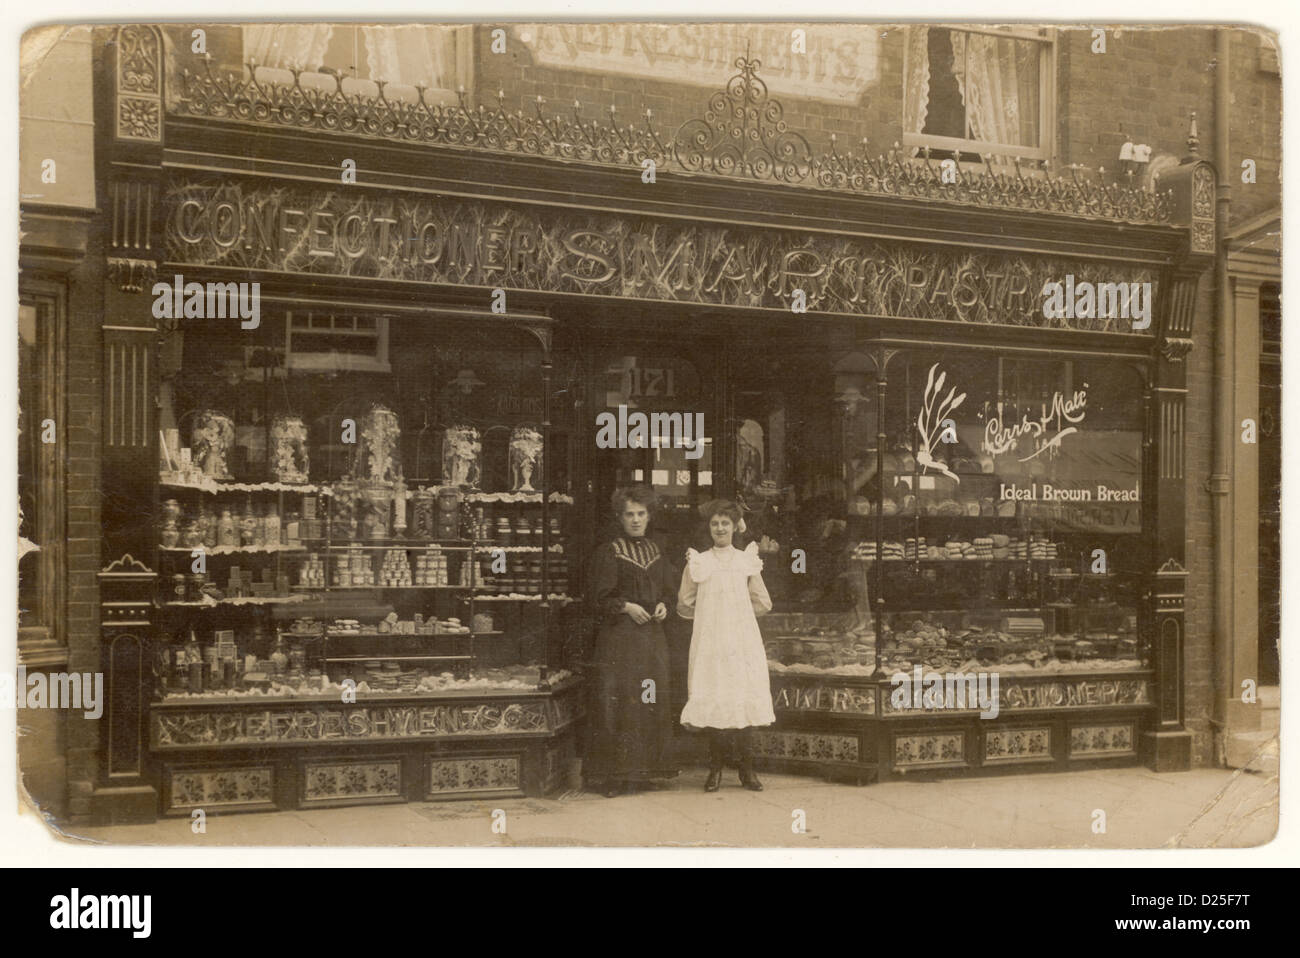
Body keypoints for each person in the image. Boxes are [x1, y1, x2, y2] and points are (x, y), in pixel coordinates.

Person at [584, 486, 680, 797]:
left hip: (651, 638)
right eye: (630, 514)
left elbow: (668, 589)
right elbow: (597, 598)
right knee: (619, 701)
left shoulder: (657, 550)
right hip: (620, 639)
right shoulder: (609, 551)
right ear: (620, 517)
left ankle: (642, 772)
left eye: (641, 514)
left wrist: (664, 604)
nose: (636, 520)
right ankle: (614, 776)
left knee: (649, 700)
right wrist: (626, 606)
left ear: (649, 516)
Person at [677, 499, 775, 792]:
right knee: (716, 699)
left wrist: (739, 616)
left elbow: (763, 601)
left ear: (735, 527)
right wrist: (710, 618)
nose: (720, 528)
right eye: (715, 523)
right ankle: (716, 769)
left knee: (742, 701)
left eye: (725, 523)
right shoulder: (699, 561)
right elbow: (684, 603)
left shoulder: (746, 560)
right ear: (709, 528)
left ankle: (747, 770)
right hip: (711, 643)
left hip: (741, 642)